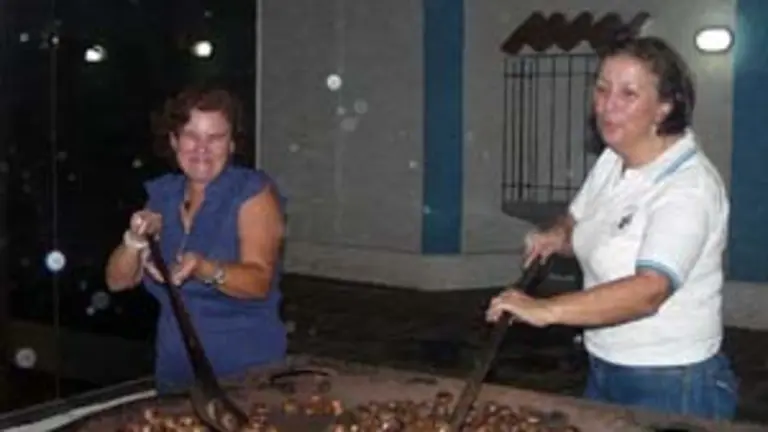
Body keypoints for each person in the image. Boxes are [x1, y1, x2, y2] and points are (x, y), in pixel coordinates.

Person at [486, 35, 738, 420]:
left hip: (671, 380)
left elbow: (649, 291)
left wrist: (544, 310)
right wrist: (557, 236)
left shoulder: (688, 188)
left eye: (628, 94)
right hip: (604, 363)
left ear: (664, 107)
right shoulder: (613, 158)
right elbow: (577, 222)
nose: (607, 106)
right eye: (601, 89)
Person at [105, 86, 287, 393]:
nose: (201, 148)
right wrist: (135, 241)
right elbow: (117, 281)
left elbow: (259, 282)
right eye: (191, 136)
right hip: (176, 372)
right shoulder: (163, 196)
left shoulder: (253, 193)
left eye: (215, 137)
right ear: (174, 141)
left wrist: (203, 268)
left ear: (231, 145)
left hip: (245, 372)